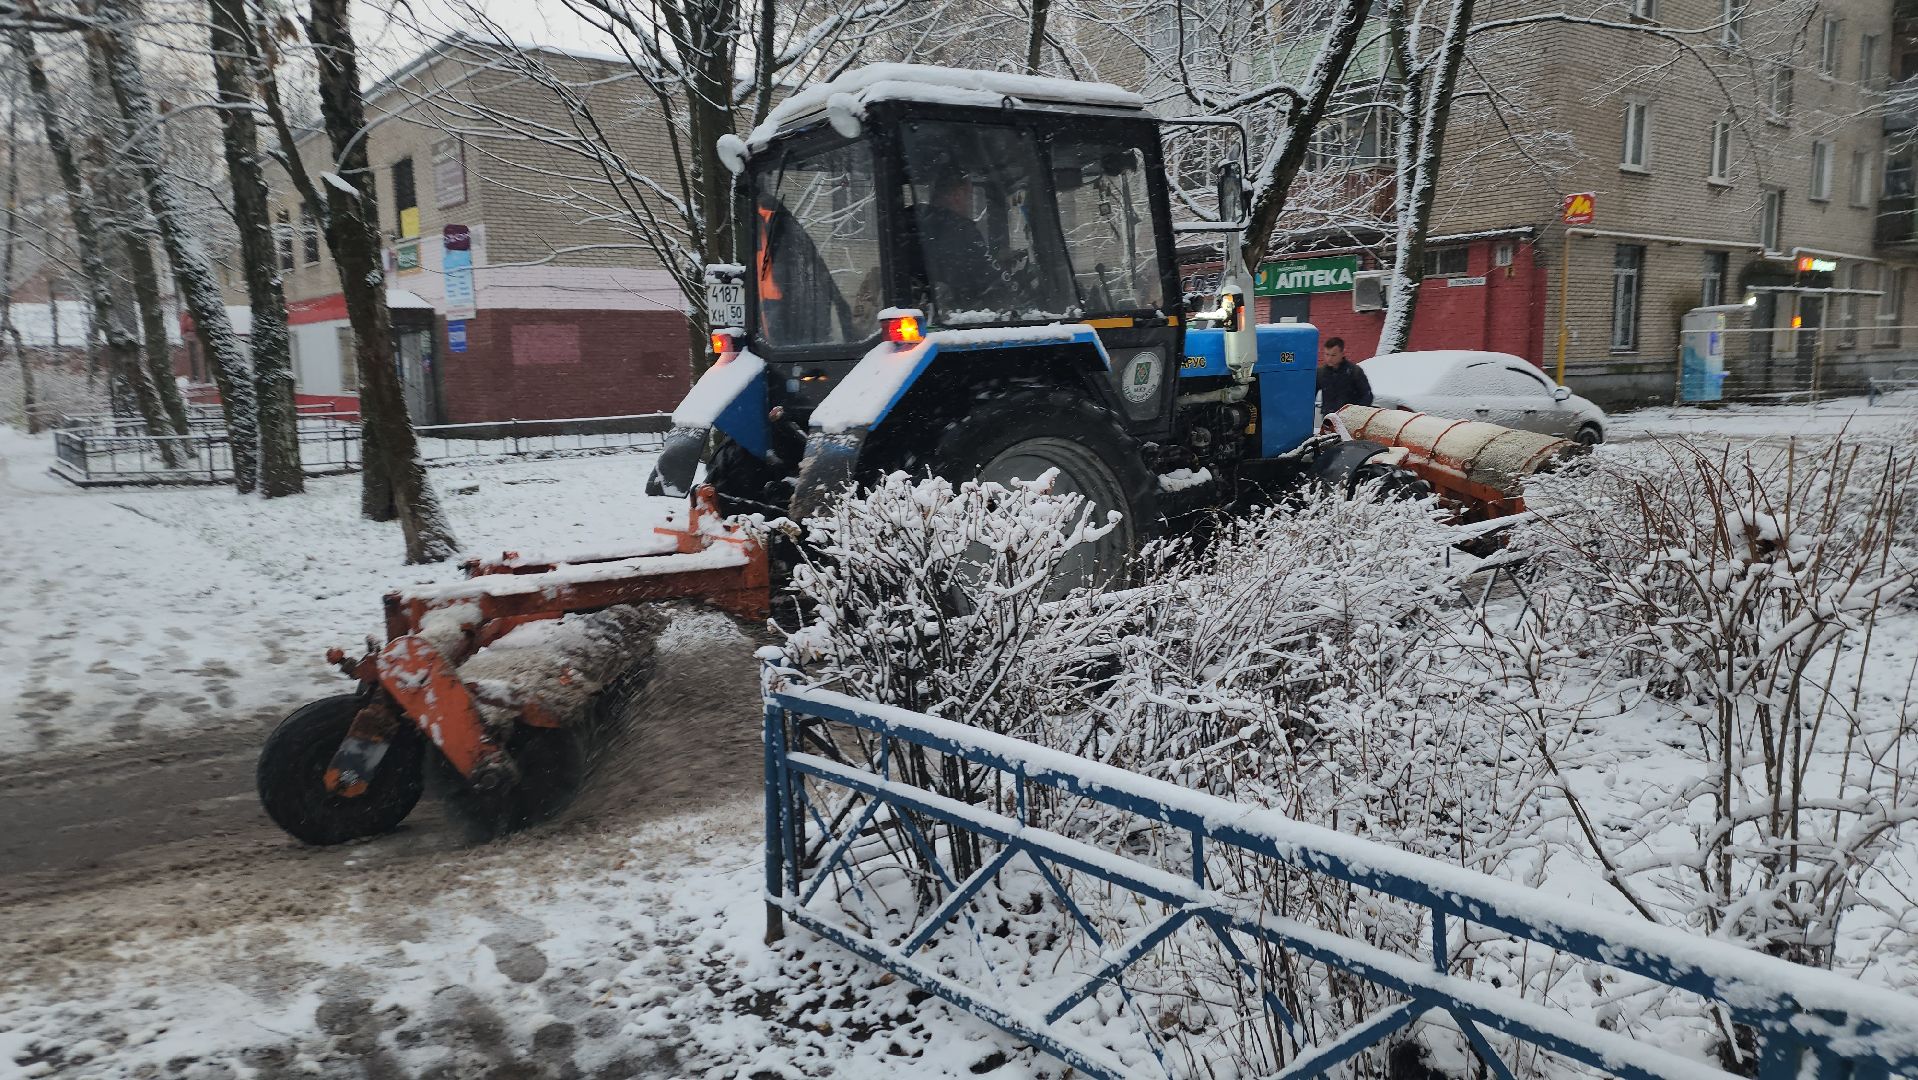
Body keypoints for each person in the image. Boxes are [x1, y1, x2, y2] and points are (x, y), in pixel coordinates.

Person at [916, 167, 1007, 311]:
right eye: (969, 195)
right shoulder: (962, 230)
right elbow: (988, 274)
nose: (969, 202)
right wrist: (1008, 284)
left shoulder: (917, 225)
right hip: (961, 314)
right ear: (957, 195)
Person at [1316, 336, 1373, 419]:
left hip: (1350, 419)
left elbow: (1367, 395)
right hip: (1329, 419)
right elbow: (1310, 395)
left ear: (1342, 353)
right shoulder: (1321, 373)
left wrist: (1357, 413)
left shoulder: (1354, 371)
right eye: (1327, 354)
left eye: (1333, 355)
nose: (1329, 358)